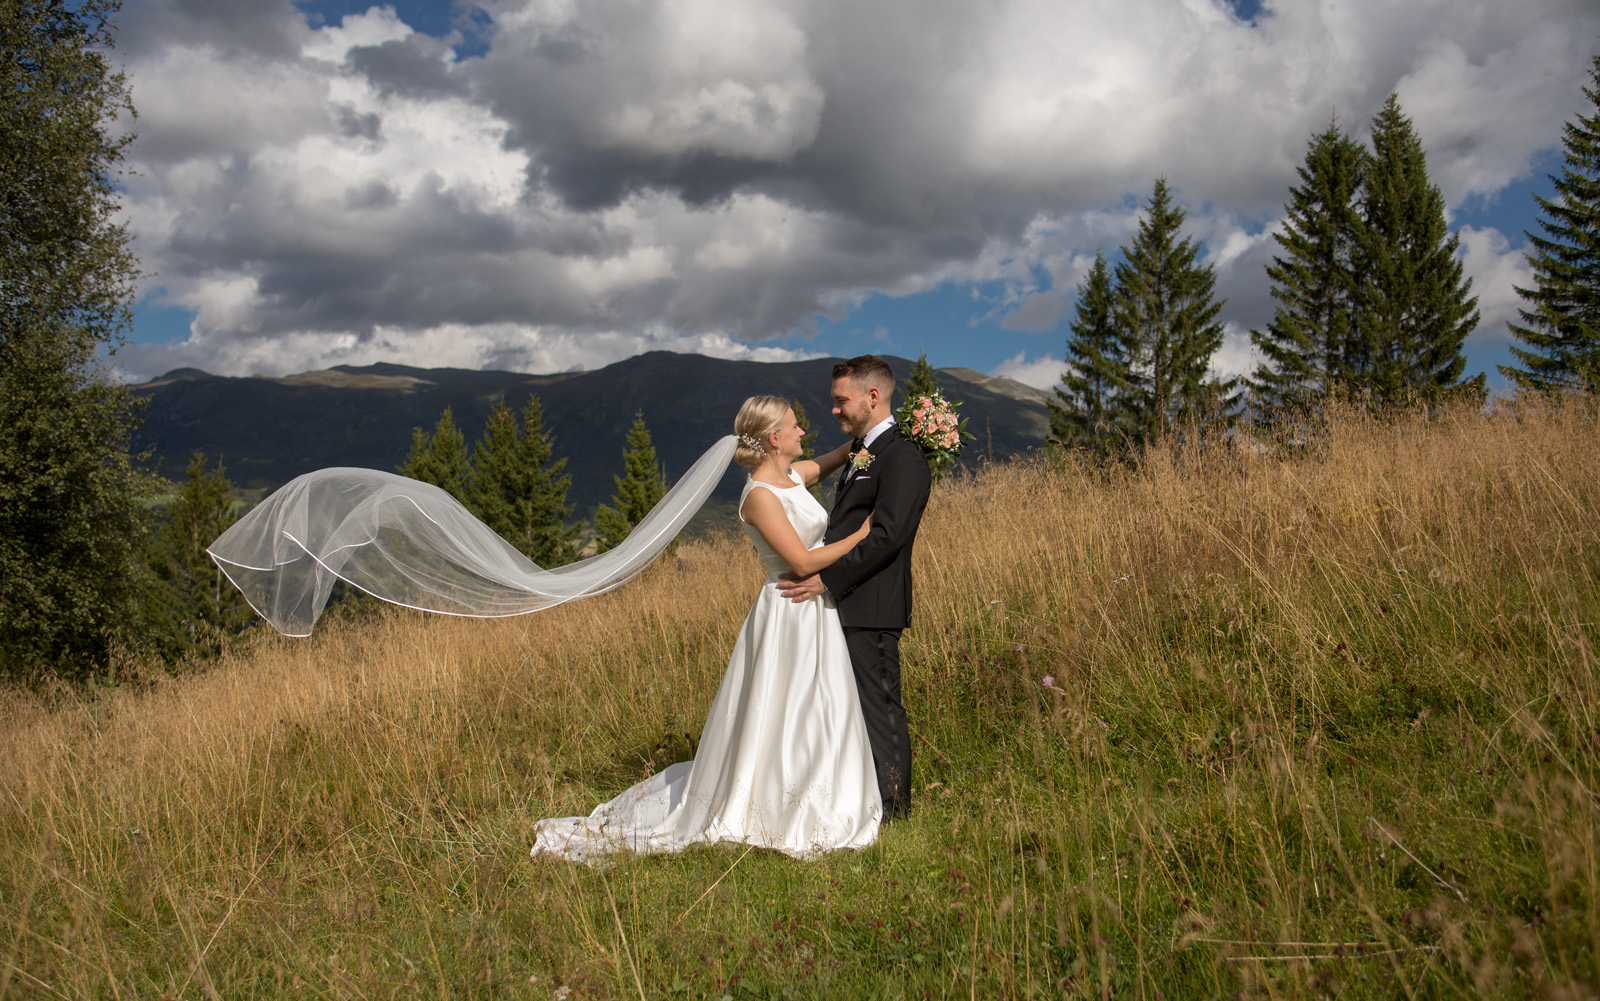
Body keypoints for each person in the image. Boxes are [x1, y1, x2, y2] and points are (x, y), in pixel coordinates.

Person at [531, 395, 883, 860]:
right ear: (774, 438)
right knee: (787, 705)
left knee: (821, 705)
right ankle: (778, 804)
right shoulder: (759, 496)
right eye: (795, 427)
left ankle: (824, 792)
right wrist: (864, 534)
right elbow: (799, 560)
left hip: (817, 607)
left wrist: (883, 437)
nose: (804, 432)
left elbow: (843, 455)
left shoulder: (794, 476)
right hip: (788, 610)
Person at [777, 356, 932, 821]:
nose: (834, 411)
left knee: (880, 709)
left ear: (872, 397)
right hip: (846, 604)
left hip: (872, 606)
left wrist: (826, 578)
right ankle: (857, 800)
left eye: (841, 401)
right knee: (849, 710)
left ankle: (893, 811)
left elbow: (888, 535)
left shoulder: (903, 456)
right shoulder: (865, 452)